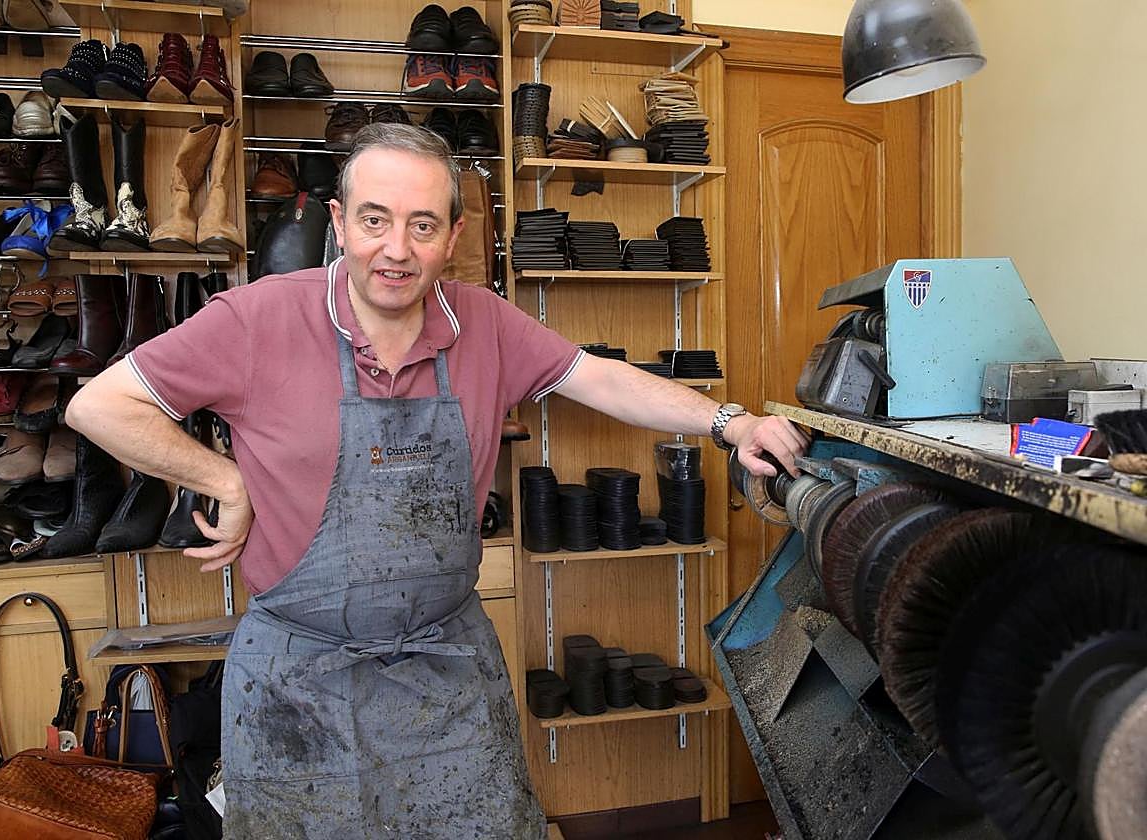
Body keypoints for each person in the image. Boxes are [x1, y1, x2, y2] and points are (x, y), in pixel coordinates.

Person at [67, 122, 808, 839]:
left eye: (422, 226)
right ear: (338, 220)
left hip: (446, 668)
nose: (395, 250)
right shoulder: (257, 318)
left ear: (454, 237)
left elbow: (605, 380)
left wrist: (730, 424)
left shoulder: (485, 321)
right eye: (374, 220)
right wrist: (221, 477)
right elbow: (98, 403)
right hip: (297, 677)